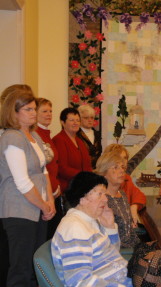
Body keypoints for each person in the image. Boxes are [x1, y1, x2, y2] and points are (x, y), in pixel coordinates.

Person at [0, 84, 55, 287]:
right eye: (28, 109)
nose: (34, 113)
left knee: (34, 267)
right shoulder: (12, 137)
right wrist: (43, 205)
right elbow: (22, 182)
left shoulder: (34, 136)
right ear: (13, 113)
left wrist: (50, 201)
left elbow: (44, 171)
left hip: (36, 208)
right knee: (20, 270)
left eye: (34, 108)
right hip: (18, 210)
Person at [51, 171, 133, 287]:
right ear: (82, 198)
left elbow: (110, 257)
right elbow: (79, 281)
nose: (105, 199)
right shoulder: (74, 228)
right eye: (100, 194)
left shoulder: (90, 220)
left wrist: (110, 228)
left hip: (124, 278)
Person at [95, 152, 140, 248]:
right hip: (119, 251)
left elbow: (129, 232)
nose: (121, 171)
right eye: (115, 167)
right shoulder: (102, 200)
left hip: (132, 246)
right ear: (104, 173)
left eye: (122, 167)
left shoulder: (122, 194)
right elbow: (105, 240)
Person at [36, 98, 63, 238]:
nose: (49, 114)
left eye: (50, 111)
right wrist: (53, 186)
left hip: (52, 191)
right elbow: (42, 167)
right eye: (44, 111)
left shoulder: (46, 134)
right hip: (44, 193)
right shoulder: (36, 134)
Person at [103, 144, 146, 224]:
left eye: (125, 158)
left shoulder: (126, 178)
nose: (123, 161)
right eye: (119, 157)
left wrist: (133, 207)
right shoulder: (99, 184)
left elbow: (140, 196)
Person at [53, 108, 92, 193]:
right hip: (68, 189)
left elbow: (87, 164)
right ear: (63, 123)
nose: (75, 123)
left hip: (82, 188)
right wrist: (82, 176)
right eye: (72, 120)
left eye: (78, 120)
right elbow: (62, 168)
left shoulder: (80, 141)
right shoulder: (59, 140)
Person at [77, 104, 102, 169]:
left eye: (92, 117)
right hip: (81, 170)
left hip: (96, 170)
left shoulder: (97, 134)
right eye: (86, 118)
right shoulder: (76, 134)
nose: (90, 120)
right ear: (79, 119)